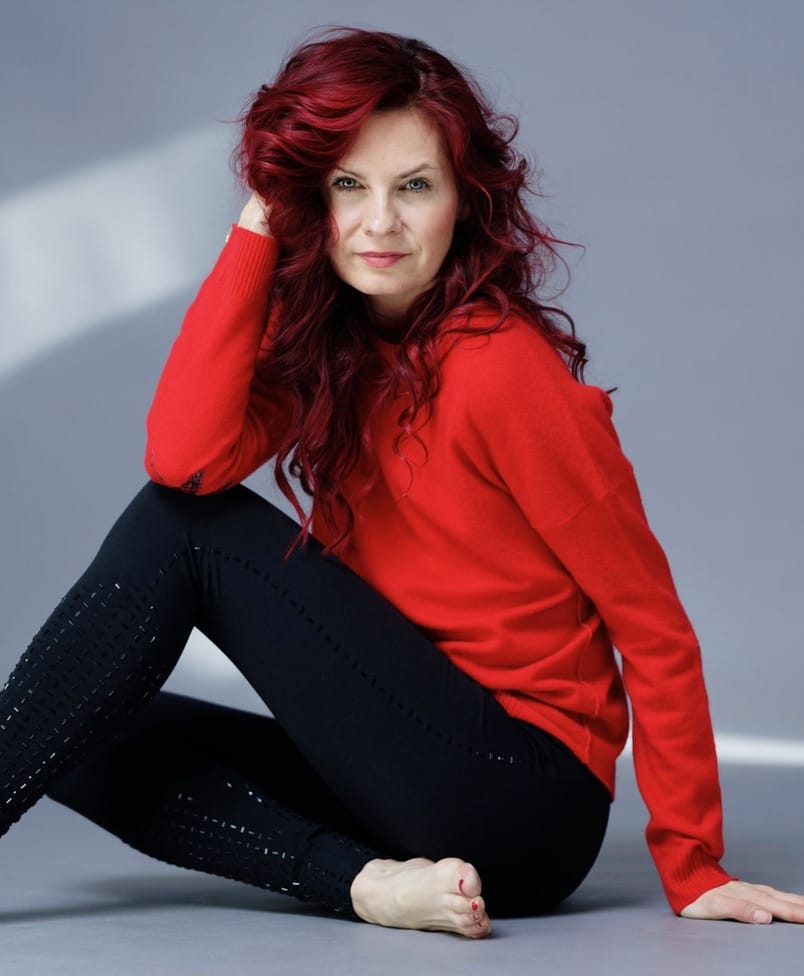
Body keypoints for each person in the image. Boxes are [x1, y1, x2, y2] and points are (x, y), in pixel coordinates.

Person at [1, 27, 802, 940]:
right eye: (348, 185)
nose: (380, 222)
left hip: (524, 800)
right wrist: (258, 225)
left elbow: (652, 625)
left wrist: (693, 862)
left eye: (414, 186)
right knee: (71, 723)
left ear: (464, 200)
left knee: (175, 534)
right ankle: (364, 883)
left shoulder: (504, 370)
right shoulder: (329, 349)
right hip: (397, 765)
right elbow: (185, 457)